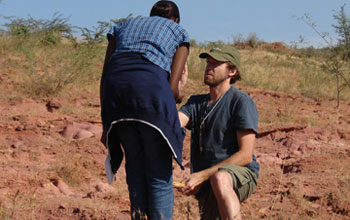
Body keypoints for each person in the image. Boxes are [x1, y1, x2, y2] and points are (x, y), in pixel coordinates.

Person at [99, 1, 190, 219]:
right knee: (158, 173)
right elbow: (171, 91)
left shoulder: (121, 27)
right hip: (151, 95)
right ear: (175, 20)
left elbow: (105, 77)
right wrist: (181, 90)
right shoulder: (178, 31)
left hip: (116, 99)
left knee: (135, 168)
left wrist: (105, 124)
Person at [178, 45, 259, 220]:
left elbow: (245, 155)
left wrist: (202, 175)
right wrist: (178, 89)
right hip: (208, 180)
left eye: (216, 64)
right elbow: (172, 124)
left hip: (239, 172)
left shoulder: (240, 102)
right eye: (208, 62)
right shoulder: (195, 103)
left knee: (221, 178)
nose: (209, 67)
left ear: (232, 71)